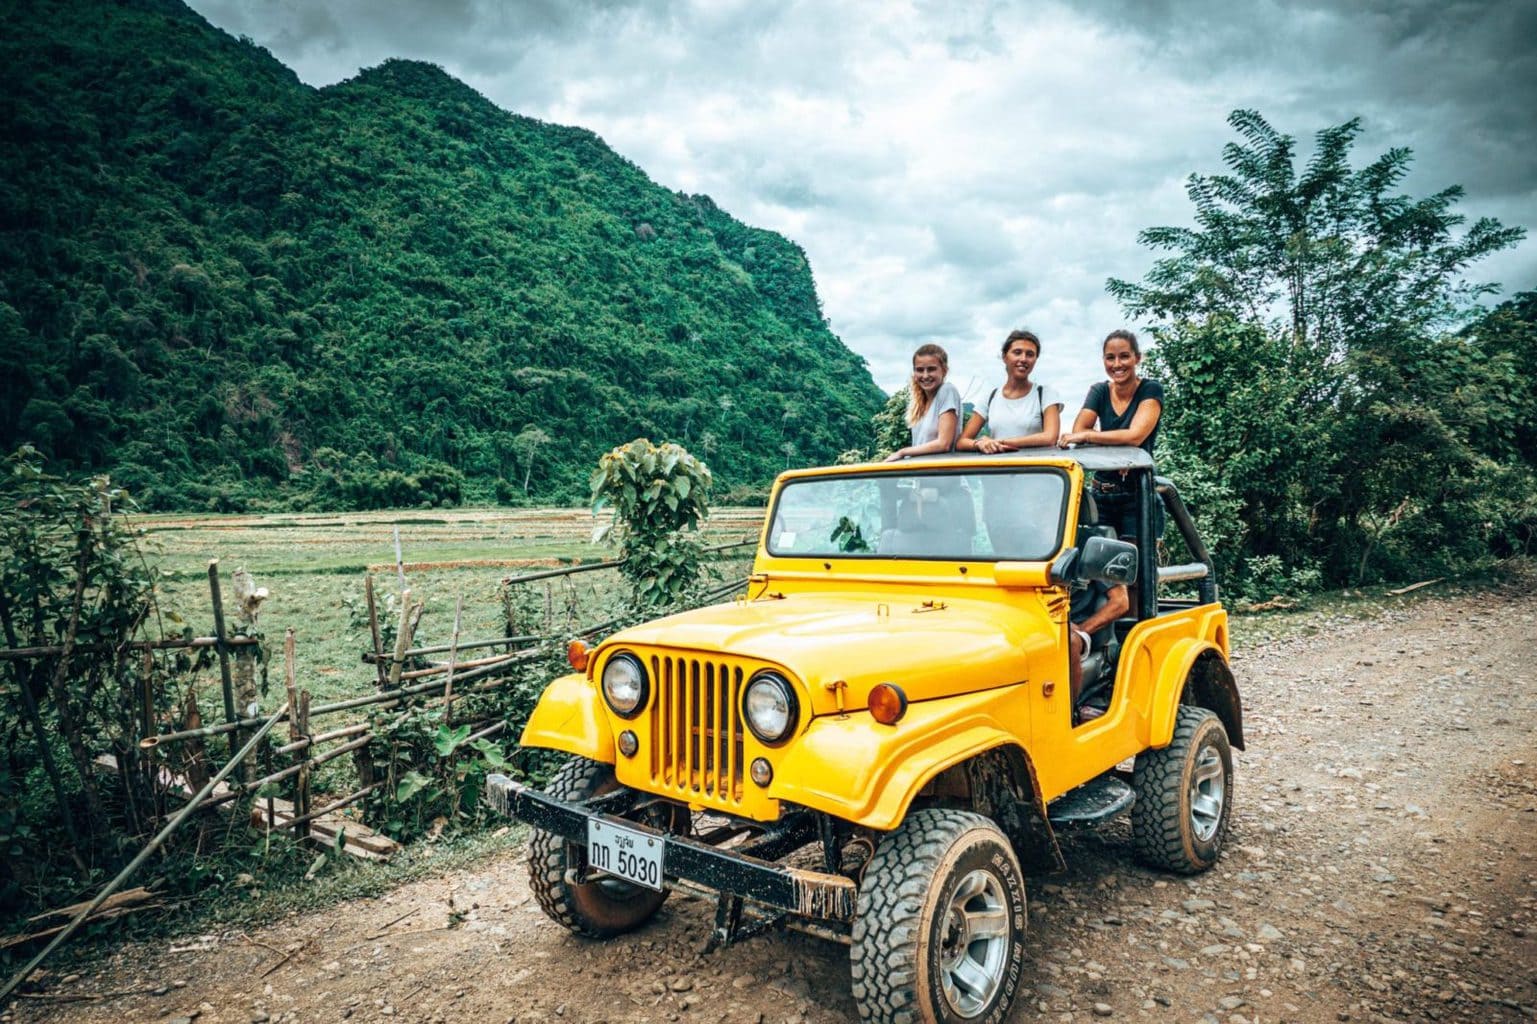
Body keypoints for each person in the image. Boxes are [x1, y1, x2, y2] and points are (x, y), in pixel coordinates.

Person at [1059, 329, 1165, 539]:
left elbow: (1135, 436)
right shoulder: (1099, 391)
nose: (1117, 364)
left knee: (1135, 567)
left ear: (1137, 358)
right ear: (1104, 361)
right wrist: (1113, 440)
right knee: (1094, 566)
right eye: (1110, 358)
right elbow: (1078, 430)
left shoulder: (1150, 389)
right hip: (1100, 494)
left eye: (1124, 356)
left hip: (1137, 495)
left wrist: (1090, 436)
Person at [958, 329, 1062, 454]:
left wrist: (1000, 442)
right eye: (1017, 352)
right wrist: (979, 443)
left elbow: (1050, 438)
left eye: (1030, 354)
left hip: (1037, 471)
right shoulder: (990, 397)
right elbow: (962, 441)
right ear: (1004, 357)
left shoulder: (1046, 394)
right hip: (1000, 470)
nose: (1023, 359)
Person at [885, 344, 962, 461]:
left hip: (944, 476)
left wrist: (902, 452)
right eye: (920, 370)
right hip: (923, 476)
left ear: (944, 370)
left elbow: (944, 443)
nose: (925, 376)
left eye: (931, 369)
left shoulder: (947, 391)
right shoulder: (920, 402)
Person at [1069, 574, 1129, 724]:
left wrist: (1081, 630)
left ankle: (1069, 715)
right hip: (1029, 621)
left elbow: (1121, 602)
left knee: (1069, 641)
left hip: (1074, 630)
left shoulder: (1091, 554)